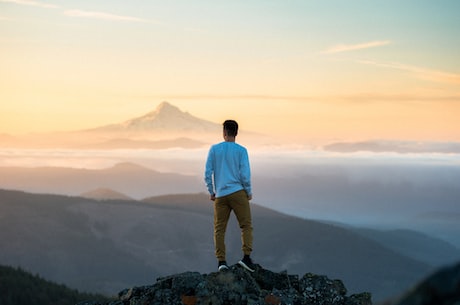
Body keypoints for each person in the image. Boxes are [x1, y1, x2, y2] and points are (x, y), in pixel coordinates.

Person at [204, 120, 255, 272]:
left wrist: (212, 191)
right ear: (236, 133)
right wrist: (249, 192)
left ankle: (221, 262)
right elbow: (245, 175)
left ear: (224, 132)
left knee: (219, 229)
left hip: (220, 195)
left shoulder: (214, 149)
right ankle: (246, 258)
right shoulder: (241, 150)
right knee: (245, 225)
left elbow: (207, 173)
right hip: (238, 192)